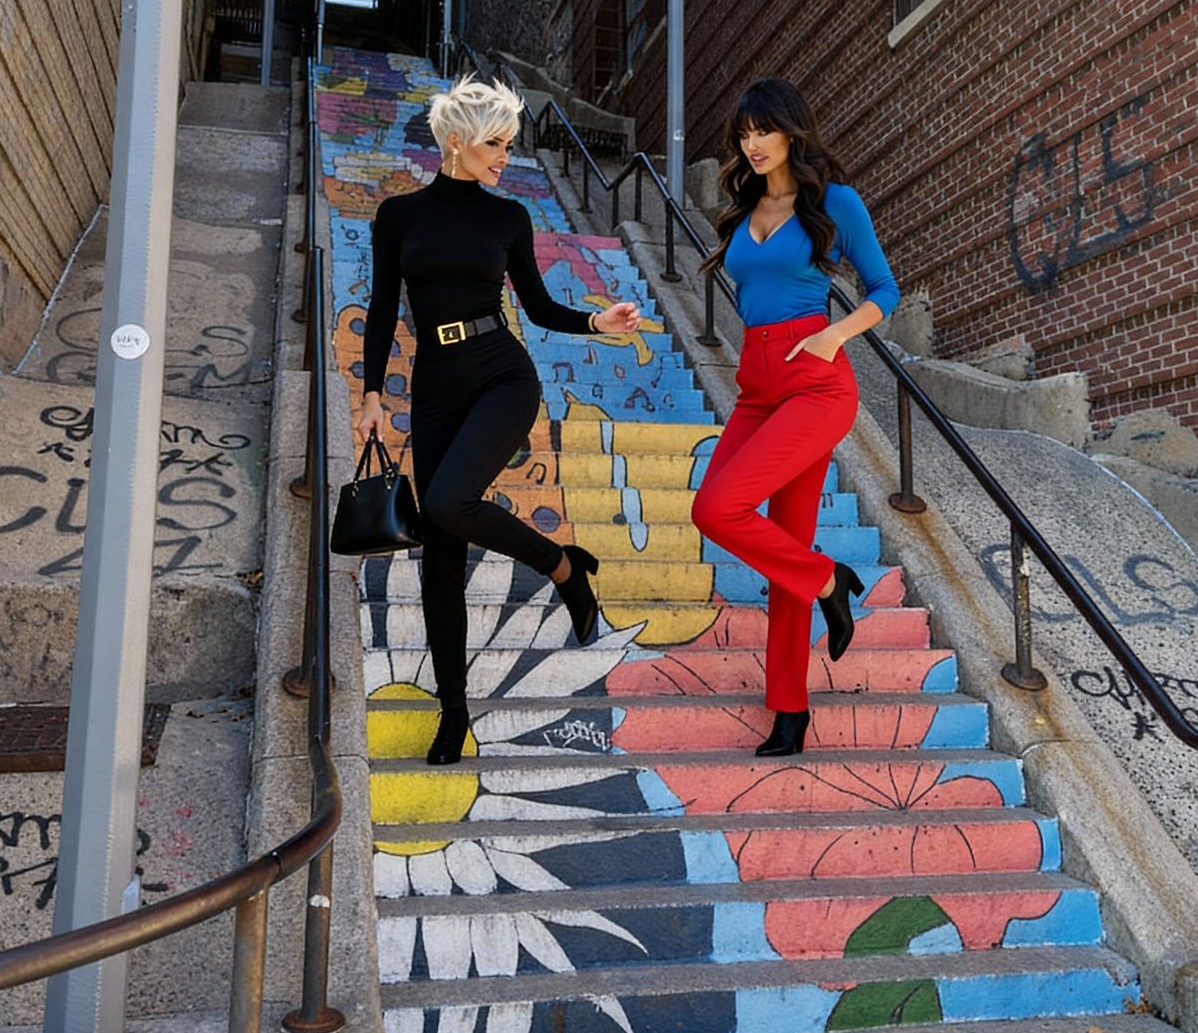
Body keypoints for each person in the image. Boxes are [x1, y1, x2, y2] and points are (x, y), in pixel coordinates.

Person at [357, 77, 642, 765]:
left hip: (502, 376)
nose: (504, 157)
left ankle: (563, 566)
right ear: (457, 140)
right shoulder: (399, 215)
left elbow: (539, 308)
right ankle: (454, 714)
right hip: (433, 387)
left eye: (509, 146)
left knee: (451, 500)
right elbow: (382, 306)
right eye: (495, 144)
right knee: (440, 558)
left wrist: (595, 321)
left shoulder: (510, 217)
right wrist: (371, 392)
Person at [691, 77, 898, 758]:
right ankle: (792, 703)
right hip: (756, 384)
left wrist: (836, 336)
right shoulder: (746, 204)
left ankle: (825, 582)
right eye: (743, 133)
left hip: (814, 381)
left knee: (722, 506)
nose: (751, 144)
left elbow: (884, 289)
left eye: (763, 130)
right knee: (735, 519)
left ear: (791, 130)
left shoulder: (833, 202)